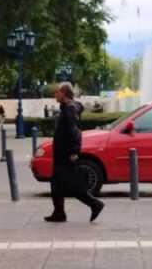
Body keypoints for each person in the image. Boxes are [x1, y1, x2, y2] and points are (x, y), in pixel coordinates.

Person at [45, 82, 104, 223]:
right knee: (56, 184)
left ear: (64, 93)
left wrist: (74, 152)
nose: (55, 94)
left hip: (66, 154)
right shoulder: (67, 107)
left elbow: (75, 132)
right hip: (61, 154)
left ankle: (95, 204)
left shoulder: (70, 109)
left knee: (72, 185)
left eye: (57, 91)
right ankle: (59, 213)